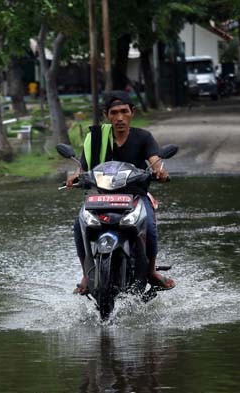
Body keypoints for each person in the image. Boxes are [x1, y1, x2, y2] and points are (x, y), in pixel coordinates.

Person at [66, 91, 175, 294]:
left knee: (149, 227)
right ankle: (86, 274)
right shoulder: (95, 138)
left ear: (132, 112)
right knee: (78, 226)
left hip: (135, 197)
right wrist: (75, 176)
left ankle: (151, 272)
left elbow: (154, 161)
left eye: (124, 112)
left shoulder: (143, 137)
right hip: (101, 197)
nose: (119, 118)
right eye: (114, 112)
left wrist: (160, 172)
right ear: (107, 115)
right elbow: (82, 167)